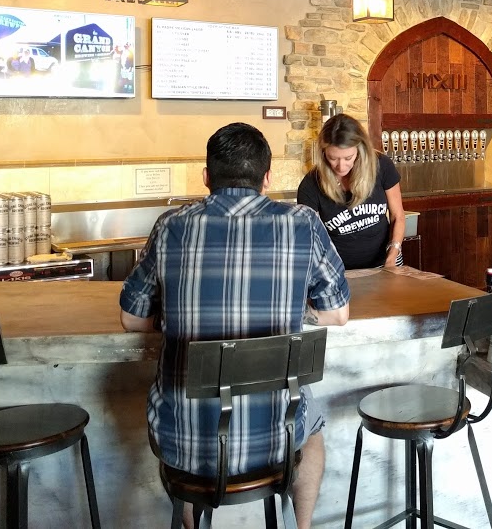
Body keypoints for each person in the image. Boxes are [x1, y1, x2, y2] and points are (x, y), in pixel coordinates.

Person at [120, 122, 350, 529]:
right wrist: (293, 309)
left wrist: (173, 312)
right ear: (267, 178)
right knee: (311, 427)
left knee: (179, 449)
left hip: (185, 444)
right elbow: (337, 314)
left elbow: (130, 319)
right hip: (278, 443)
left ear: (206, 176)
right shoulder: (303, 223)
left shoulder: (170, 225)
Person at [296, 113, 406, 270]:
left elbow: (398, 216)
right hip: (338, 269)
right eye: (333, 158)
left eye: (348, 158)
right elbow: (310, 238)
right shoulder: (311, 185)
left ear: (360, 150)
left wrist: (392, 256)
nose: (341, 166)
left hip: (387, 260)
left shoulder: (381, 166)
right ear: (323, 153)